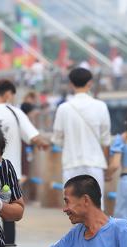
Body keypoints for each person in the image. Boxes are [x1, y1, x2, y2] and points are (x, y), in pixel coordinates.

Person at [0, 79, 49, 247]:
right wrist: (47, 144)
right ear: (8, 93)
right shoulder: (15, 112)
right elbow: (34, 137)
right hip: (8, 176)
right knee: (8, 214)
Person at [52, 67, 111, 205]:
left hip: (71, 163)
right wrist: (106, 165)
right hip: (95, 163)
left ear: (71, 84)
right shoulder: (101, 106)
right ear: (90, 83)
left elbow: (57, 139)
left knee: (73, 207)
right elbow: (106, 140)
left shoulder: (63, 108)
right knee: (96, 207)